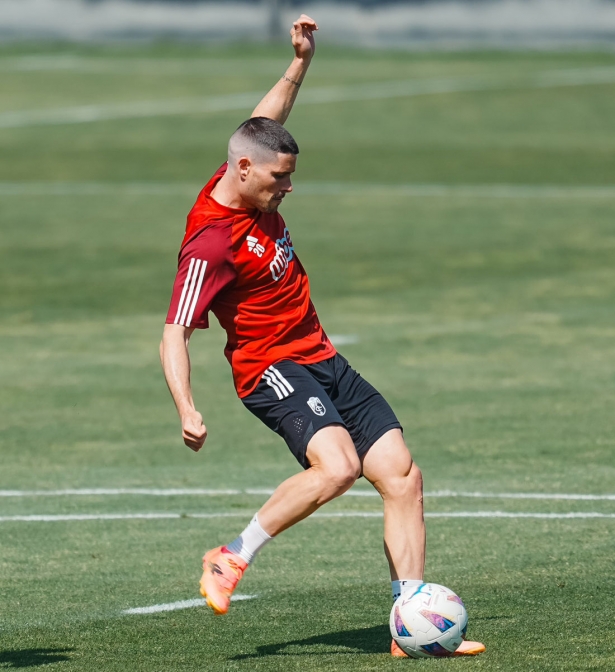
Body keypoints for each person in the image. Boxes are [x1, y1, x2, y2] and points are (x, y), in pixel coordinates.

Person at [160, 15, 485, 658]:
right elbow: (174, 333)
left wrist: (299, 63)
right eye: (278, 178)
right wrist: (187, 408)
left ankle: (408, 626)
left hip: (321, 355)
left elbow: (260, 122)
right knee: (335, 467)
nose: (288, 187)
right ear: (245, 171)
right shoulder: (211, 241)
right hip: (269, 366)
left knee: (402, 476)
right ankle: (231, 556)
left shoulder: (248, 171)